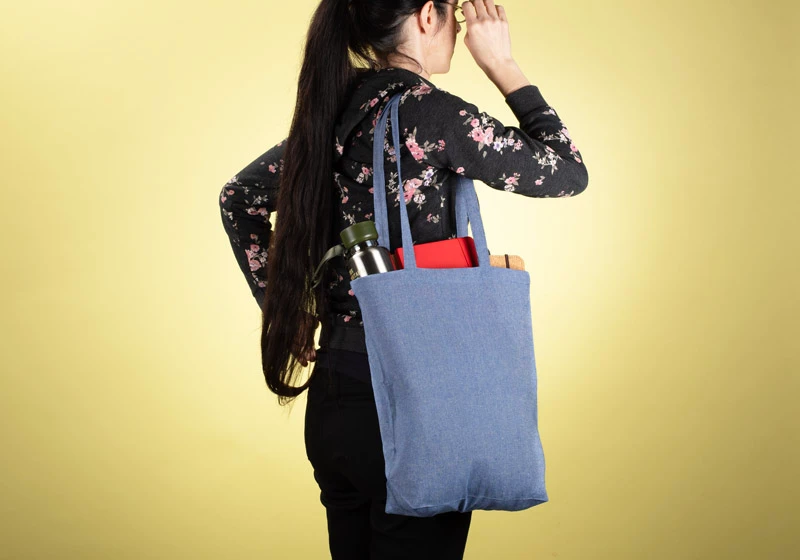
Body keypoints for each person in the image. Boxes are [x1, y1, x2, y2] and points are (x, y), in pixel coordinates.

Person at [218, 1, 588, 557]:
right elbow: (566, 170)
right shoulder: (428, 114)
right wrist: (502, 64)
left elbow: (239, 197)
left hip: (336, 398)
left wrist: (285, 308)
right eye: (454, 18)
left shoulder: (332, 112)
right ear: (425, 16)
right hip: (419, 396)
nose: (458, 32)